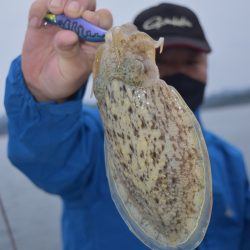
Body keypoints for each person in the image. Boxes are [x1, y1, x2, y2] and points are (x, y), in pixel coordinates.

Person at [4, 0, 250, 249]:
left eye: (190, 63)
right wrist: (43, 96)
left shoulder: (232, 163)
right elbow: (45, 156)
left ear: (206, 65)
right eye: (163, 60)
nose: (178, 70)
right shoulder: (90, 144)